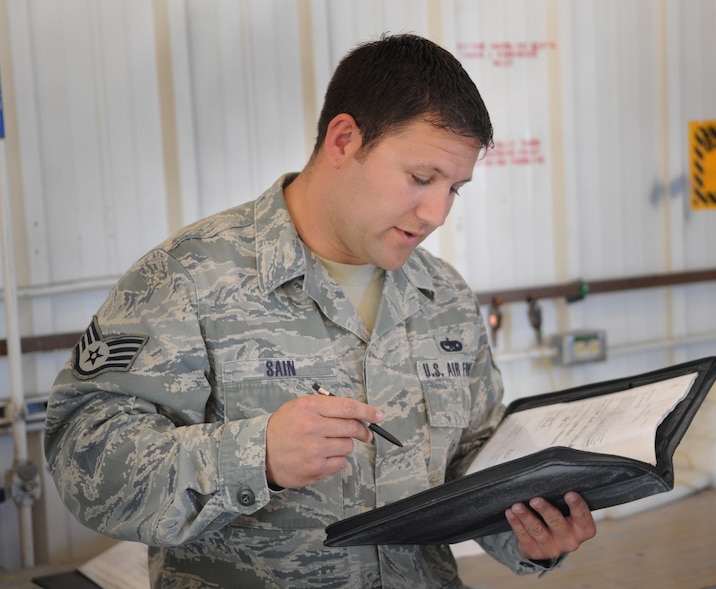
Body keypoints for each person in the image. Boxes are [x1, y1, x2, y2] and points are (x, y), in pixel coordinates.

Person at [44, 33, 596, 588]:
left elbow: (470, 463)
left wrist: (530, 530)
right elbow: (82, 459)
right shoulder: (189, 277)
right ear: (343, 140)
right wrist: (255, 456)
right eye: (421, 178)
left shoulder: (444, 296)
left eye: (456, 189)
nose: (436, 213)